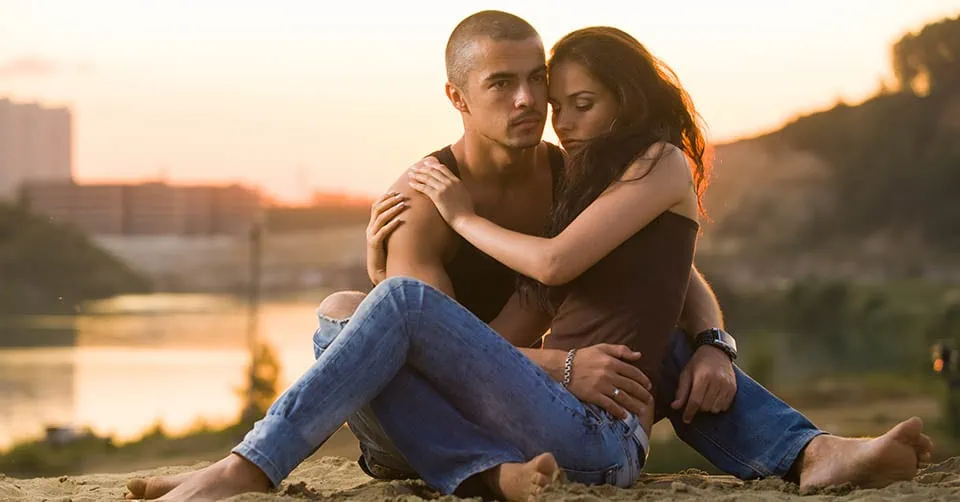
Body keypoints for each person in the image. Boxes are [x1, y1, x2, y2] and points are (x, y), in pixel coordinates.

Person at [128, 10, 932, 502]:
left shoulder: (578, 177)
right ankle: (281, 469)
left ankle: (811, 450)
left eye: (538, 83)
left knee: (664, 342)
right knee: (350, 312)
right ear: (457, 97)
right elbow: (434, 351)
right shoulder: (424, 200)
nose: (530, 102)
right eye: (502, 84)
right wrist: (559, 365)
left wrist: (715, 342)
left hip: (553, 418)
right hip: (432, 419)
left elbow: (669, 272)